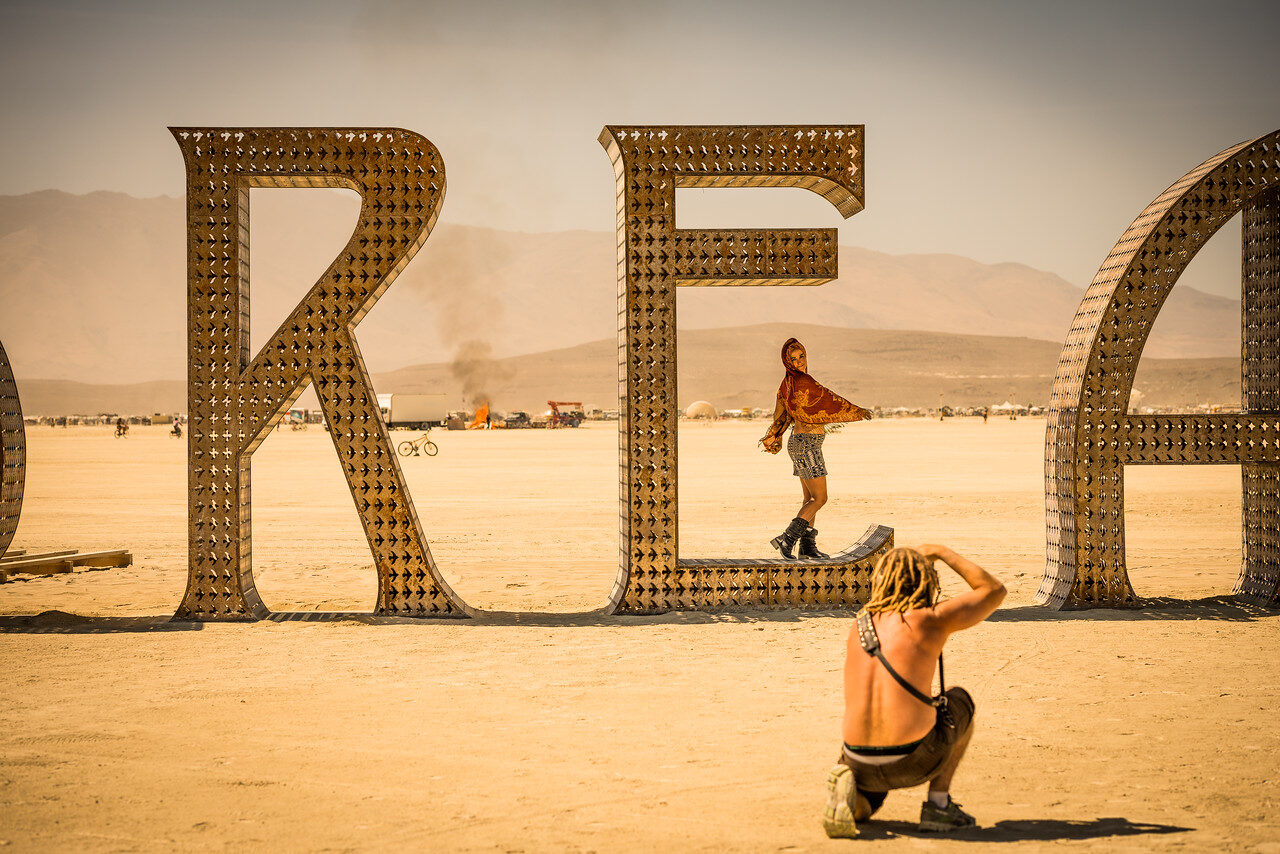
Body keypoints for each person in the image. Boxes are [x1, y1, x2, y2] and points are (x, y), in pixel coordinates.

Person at [823, 545, 1006, 837]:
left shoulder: (858, 626)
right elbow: (994, 590)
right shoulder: (931, 619)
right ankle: (938, 806)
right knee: (959, 701)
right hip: (914, 760)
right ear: (926, 580)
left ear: (880, 581)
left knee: (871, 801)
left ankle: (852, 799)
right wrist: (942, 553)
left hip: (857, 762)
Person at [759, 338, 871, 559]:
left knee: (808, 499)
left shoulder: (786, 385)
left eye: (802, 357)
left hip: (799, 443)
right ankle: (786, 538)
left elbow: (781, 416)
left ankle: (807, 546)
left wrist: (774, 435)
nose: (799, 362)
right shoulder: (803, 382)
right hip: (807, 445)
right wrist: (856, 411)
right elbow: (829, 400)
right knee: (820, 499)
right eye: (794, 359)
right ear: (786, 361)